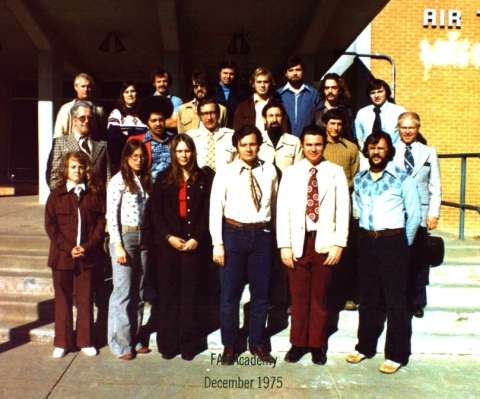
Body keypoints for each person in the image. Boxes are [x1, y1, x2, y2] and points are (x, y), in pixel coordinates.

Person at [347, 131, 421, 374]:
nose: (376, 152)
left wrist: (402, 246)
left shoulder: (402, 178)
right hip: (368, 242)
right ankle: (364, 346)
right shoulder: (360, 179)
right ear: (366, 151)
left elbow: (414, 217)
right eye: (372, 148)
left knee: (395, 301)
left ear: (389, 151)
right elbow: (357, 209)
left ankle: (396, 354)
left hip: (393, 243)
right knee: (368, 298)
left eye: (381, 148)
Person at [276, 125, 350, 365]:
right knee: (298, 297)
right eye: (308, 144)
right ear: (302, 145)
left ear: (323, 144)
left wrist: (339, 244)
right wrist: (284, 245)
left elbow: (344, 210)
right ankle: (298, 343)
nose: (313, 149)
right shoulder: (291, 172)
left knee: (319, 296)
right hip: (298, 241)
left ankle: (317, 344)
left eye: (318, 144)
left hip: (324, 241)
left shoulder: (335, 172)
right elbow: (282, 210)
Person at [209, 125, 278, 365]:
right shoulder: (225, 172)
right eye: (244, 144)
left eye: (253, 143)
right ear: (237, 147)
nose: (249, 148)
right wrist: (217, 243)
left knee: (261, 294)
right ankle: (230, 344)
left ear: (259, 145)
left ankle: (257, 342)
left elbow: (275, 204)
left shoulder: (269, 171)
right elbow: (215, 208)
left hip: (261, 235)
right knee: (230, 295)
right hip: (233, 234)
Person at [149, 134, 213, 360]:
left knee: (191, 296)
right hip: (169, 247)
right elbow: (155, 213)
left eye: (187, 151)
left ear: (193, 152)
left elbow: (207, 212)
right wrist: (168, 237)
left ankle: (189, 345)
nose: (184, 155)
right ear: (173, 154)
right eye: (179, 151)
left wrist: (197, 237)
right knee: (168, 295)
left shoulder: (203, 178)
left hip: (194, 246)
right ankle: (168, 344)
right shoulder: (164, 178)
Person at [45, 151, 106, 359]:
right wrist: (68, 247)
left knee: (85, 298)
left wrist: (87, 246)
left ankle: (85, 340)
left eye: (81, 167)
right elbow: (51, 226)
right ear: (65, 170)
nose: (77, 171)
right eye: (73, 167)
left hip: (86, 256)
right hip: (62, 256)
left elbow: (100, 223)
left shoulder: (93, 194)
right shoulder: (56, 195)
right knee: (62, 299)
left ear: (86, 170)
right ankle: (62, 342)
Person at [106, 140, 152, 360]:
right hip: (125, 236)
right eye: (134, 156)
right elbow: (111, 215)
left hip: (143, 237)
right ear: (126, 158)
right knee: (123, 292)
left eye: (142, 156)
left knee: (140, 291)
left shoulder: (144, 180)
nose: (139, 159)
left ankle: (135, 337)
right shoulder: (118, 181)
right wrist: (118, 245)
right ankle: (121, 344)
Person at [393, 112, 441, 318]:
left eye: (411, 127)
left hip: (420, 212)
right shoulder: (390, 150)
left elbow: (435, 185)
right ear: (398, 128)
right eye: (403, 127)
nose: (407, 131)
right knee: (396, 257)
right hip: (396, 210)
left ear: (418, 128)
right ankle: (396, 299)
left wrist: (433, 213)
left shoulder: (429, 152)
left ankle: (417, 301)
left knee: (419, 258)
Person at [322, 108, 360, 311]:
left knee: (345, 253)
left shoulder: (351, 148)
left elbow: (356, 176)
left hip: (344, 204)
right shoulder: (319, 146)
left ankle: (345, 295)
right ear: (325, 125)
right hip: (322, 205)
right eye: (332, 123)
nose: (335, 127)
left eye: (339, 124)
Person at [47, 100, 110, 190]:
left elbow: (107, 178)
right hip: (69, 200)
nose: (87, 121)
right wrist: (64, 198)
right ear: (74, 120)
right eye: (82, 118)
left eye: (90, 118)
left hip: (97, 200)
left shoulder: (102, 145)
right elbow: (53, 178)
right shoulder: (60, 143)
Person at [128, 96, 174, 182]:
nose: (158, 123)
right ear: (147, 122)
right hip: (147, 189)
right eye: (154, 120)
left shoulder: (174, 140)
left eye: (161, 120)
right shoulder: (137, 141)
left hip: (170, 189)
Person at [107, 81, 148, 174]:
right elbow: (113, 138)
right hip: (124, 161)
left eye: (132, 91)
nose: (130, 94)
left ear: (137, 93)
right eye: (126, 92)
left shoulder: (145, 114)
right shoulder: (117, 113)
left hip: (143, 160)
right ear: (122, 95)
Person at [186, 98, 236, 172]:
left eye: (212, 113)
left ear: (218, 114)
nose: (209, 118)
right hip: (198, 181)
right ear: (199, 116)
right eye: (205, 114)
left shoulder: (231, 136)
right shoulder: (190, 137)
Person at [354, 79, 406, 150]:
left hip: (393, 155)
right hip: (368, 156)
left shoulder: (399, 112)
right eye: (372, 93)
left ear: (386, 92)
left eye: (380, 91)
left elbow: (405, 136)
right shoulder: (362, 113)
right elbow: (359, 138)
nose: (376, 95)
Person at [233, 67, 287, 133]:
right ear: (253, 84)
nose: (262, 85)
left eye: (266, 82)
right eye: (259, 82)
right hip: (251, 142)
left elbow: (284, 130)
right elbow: (237, 131)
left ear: (270, 83)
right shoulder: (243, 107)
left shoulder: (278, 105)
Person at [277, 56, 321, 137]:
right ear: (286, 73)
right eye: (291, 70)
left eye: (298, 70)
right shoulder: (278, 94)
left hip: (307, 142)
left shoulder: (313, 93)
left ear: (303, 72)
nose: (295, 73)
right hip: (284, 141)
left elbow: (319, 120)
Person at [53, 73, 105, 139]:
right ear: (76, 87)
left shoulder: (99, 110)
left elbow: (103, 134)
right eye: (83, 86)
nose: (86, 89)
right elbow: (58, 134)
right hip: (71, 147)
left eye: (88, 87)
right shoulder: (66, 109)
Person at [258, 100, 302, 172]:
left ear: (283, 118)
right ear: (264, 119)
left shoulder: (295, 142)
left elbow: (298, 170)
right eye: (271, 116)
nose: (274, 119)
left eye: (278, 115)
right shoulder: (257, 140)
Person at [314, 72, 354, 141]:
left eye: (334, 88)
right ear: (323, 90)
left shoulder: (346, 111)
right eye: (327, 88)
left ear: (339, 90)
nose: (330, 91)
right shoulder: (316, 110)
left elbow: (349, 134)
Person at [214, 59, 247, 128]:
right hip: (217, 128)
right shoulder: (212, 91)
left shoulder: (242, 93)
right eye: (225, 73)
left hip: (235, 128)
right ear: (219, 73)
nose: (228, 76)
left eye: (231, 74)